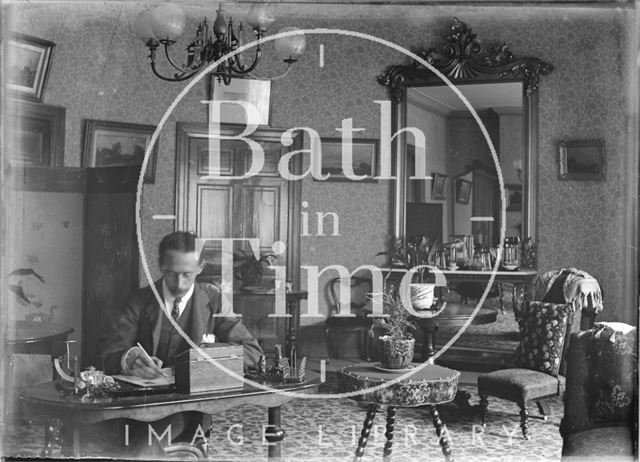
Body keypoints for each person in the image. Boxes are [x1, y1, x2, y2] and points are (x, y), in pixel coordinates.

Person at [98, 231, 263, 456]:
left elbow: (252, 352)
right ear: (160, 265)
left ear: (201, 267)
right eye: (171, 273)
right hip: (137, 406)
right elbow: (109, 353)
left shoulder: (214, 301)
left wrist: (202, 358)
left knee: (143, 446)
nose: (178, 283)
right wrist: (130, 358)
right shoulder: (138, 300)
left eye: (187, 274)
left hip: (190, 408)